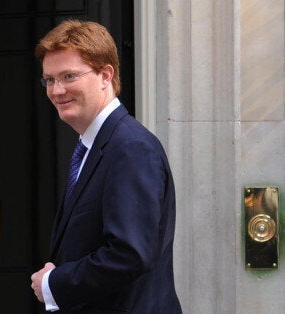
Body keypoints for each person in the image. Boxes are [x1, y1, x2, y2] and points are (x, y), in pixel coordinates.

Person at [30, 19, 182, 313]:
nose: (57, 90)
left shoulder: (130, 147)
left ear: (105, 75)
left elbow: (129, 255)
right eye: (49, 79)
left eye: (69, 76)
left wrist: (54, 283)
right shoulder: (95, 145)